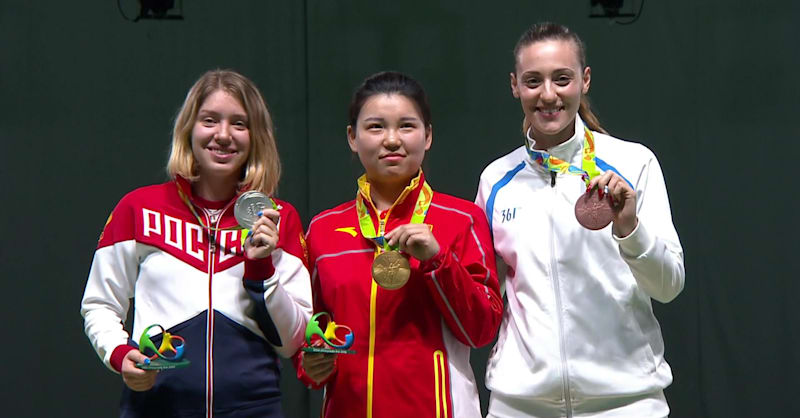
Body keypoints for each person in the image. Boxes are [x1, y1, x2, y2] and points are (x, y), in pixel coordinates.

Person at [475, 23, 685, 417]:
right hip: (520, 405)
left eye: (562, 78)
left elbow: (669, 285)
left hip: (627, 402)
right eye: (533, 81)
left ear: (584, 80)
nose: (548, 94)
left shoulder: (634, 163)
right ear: (514, 86)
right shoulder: (495, 180)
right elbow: (486, 297)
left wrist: (630, 230)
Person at [80, 69, 312, 417]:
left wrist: (261, 269)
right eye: (210, 120)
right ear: (189, 129)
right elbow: (99, 303)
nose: (223, 135)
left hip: (253, 408)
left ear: (256, 136)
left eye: (239, 123)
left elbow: (293, 340)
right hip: (156, 405)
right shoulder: (138, 209)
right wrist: (119, 353)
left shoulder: (278, 218)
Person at [296, 71, 503, 418]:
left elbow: (480, 331)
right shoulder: (323, 230)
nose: (392, 140)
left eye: (406, 126)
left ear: (428, 136)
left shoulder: (462, 219)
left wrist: (438, 260)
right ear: (352, 137)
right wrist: (310, 363)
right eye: (375, 127)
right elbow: (312, 327)